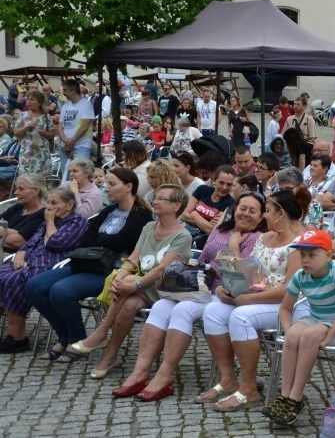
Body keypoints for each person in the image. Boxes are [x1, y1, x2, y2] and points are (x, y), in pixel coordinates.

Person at [112, 191, 265, 403]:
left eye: (252, 210)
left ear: (261, 216)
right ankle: (140, 372)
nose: (246, 214)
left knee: (182, 310)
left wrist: (233, 246)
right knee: (162, 306)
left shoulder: (258, 239)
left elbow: (241, 278)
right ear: (234, 209)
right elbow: (203, 259)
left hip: (225, 296)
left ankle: (164, 375)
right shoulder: (221, 230)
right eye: (242, 208)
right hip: (202, 287)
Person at [196, 189, 308, 409]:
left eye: (267, 210)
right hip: (258, 298)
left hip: (288, 306)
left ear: (281, 214)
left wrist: (248, 300)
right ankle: (228, 379)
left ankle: (249, 389)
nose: (265, 215)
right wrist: (227, 289)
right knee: (213, 312)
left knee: (241, 317)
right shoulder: (266, 237)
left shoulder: (299, 243)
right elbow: (249, 274)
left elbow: (290, 289)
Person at [27, 168, 152, 362]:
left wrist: (100, 239)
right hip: (87, 262)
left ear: (128, 187)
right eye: (106, 184)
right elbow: (85, 238)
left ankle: (77, 339)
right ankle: (65, 335)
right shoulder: (110, 209)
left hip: (112, 270)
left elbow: (125, 241)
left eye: (112, 184)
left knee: (61, 291)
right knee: (34, 286)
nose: (106, 188)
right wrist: (104, 240)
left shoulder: (141, 213)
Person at [68, 184, 192, 378]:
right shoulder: (149, 227)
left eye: (161, 199)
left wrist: (134, 283)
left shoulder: (183, 236)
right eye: (155, 197)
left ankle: (100, 333)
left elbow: (162, 270)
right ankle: (110, 355)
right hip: (142, 287)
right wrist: (119, 277)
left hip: (167, 290)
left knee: (130, 282)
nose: (154, 201)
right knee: (128, 304)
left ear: (176, 206)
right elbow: (134, 258)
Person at [264, 230, 335, 426]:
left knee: (309, 335)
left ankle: (296, 399)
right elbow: (285, 309)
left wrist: (329, 337)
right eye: (302, 255)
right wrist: (289, 331)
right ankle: (285, 395)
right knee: (295, 333)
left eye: (312, 255)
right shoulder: (300, 275)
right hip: (316, 318)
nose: (305, 260)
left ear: (328, 255)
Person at [0, 188, 88, 354]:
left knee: (13, 280)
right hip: (31, 261)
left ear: (69, 205)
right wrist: (20, 254)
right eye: (48, 203)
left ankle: (17, 337)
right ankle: (11, 330)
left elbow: (56, 243)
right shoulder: (48, 220)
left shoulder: (77, 221)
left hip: (51, 265)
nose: (49, 207)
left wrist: (49, 222)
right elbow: (30, 243)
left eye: (54, 203)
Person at [57, 79, 95, 181]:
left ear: (73, 90)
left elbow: (84, 126)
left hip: (81, 145)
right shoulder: (65, 106)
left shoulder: (86, 104)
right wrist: (65, 140)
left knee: (79, 175)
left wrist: (72, 141)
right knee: (65, 175)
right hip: (64, 146)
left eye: (65, 90)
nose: (63, 93)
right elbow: (60, 126)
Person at [181, 165, 235, 236]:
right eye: (221, 183)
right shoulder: (202, 190)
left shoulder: (230, 203)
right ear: (214, 180)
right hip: (185, 231)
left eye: (229, 184)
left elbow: (211, 229)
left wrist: (194, 214)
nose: (225, 187)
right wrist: (205, 223)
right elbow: (184, 215)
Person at [0, 174, 47, 253]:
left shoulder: (43, 215)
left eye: (21, 189)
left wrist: (3, 231)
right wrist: (12, 232)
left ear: (36, 191)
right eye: (16, 188)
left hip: (13, 257)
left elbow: (17, 242)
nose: (15, 192)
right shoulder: (19, 207)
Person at [14, 89, 55, 176]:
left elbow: (52, 134)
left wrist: (43, 133)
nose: (28, 101)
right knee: (26, 178)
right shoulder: (23, 115)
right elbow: (16, 133)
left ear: (39, 102)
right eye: (28, 99)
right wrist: (26, 126)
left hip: (42, 152)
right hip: (27, 152)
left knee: (42, 178)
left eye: (32, 99)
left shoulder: (46, 117)